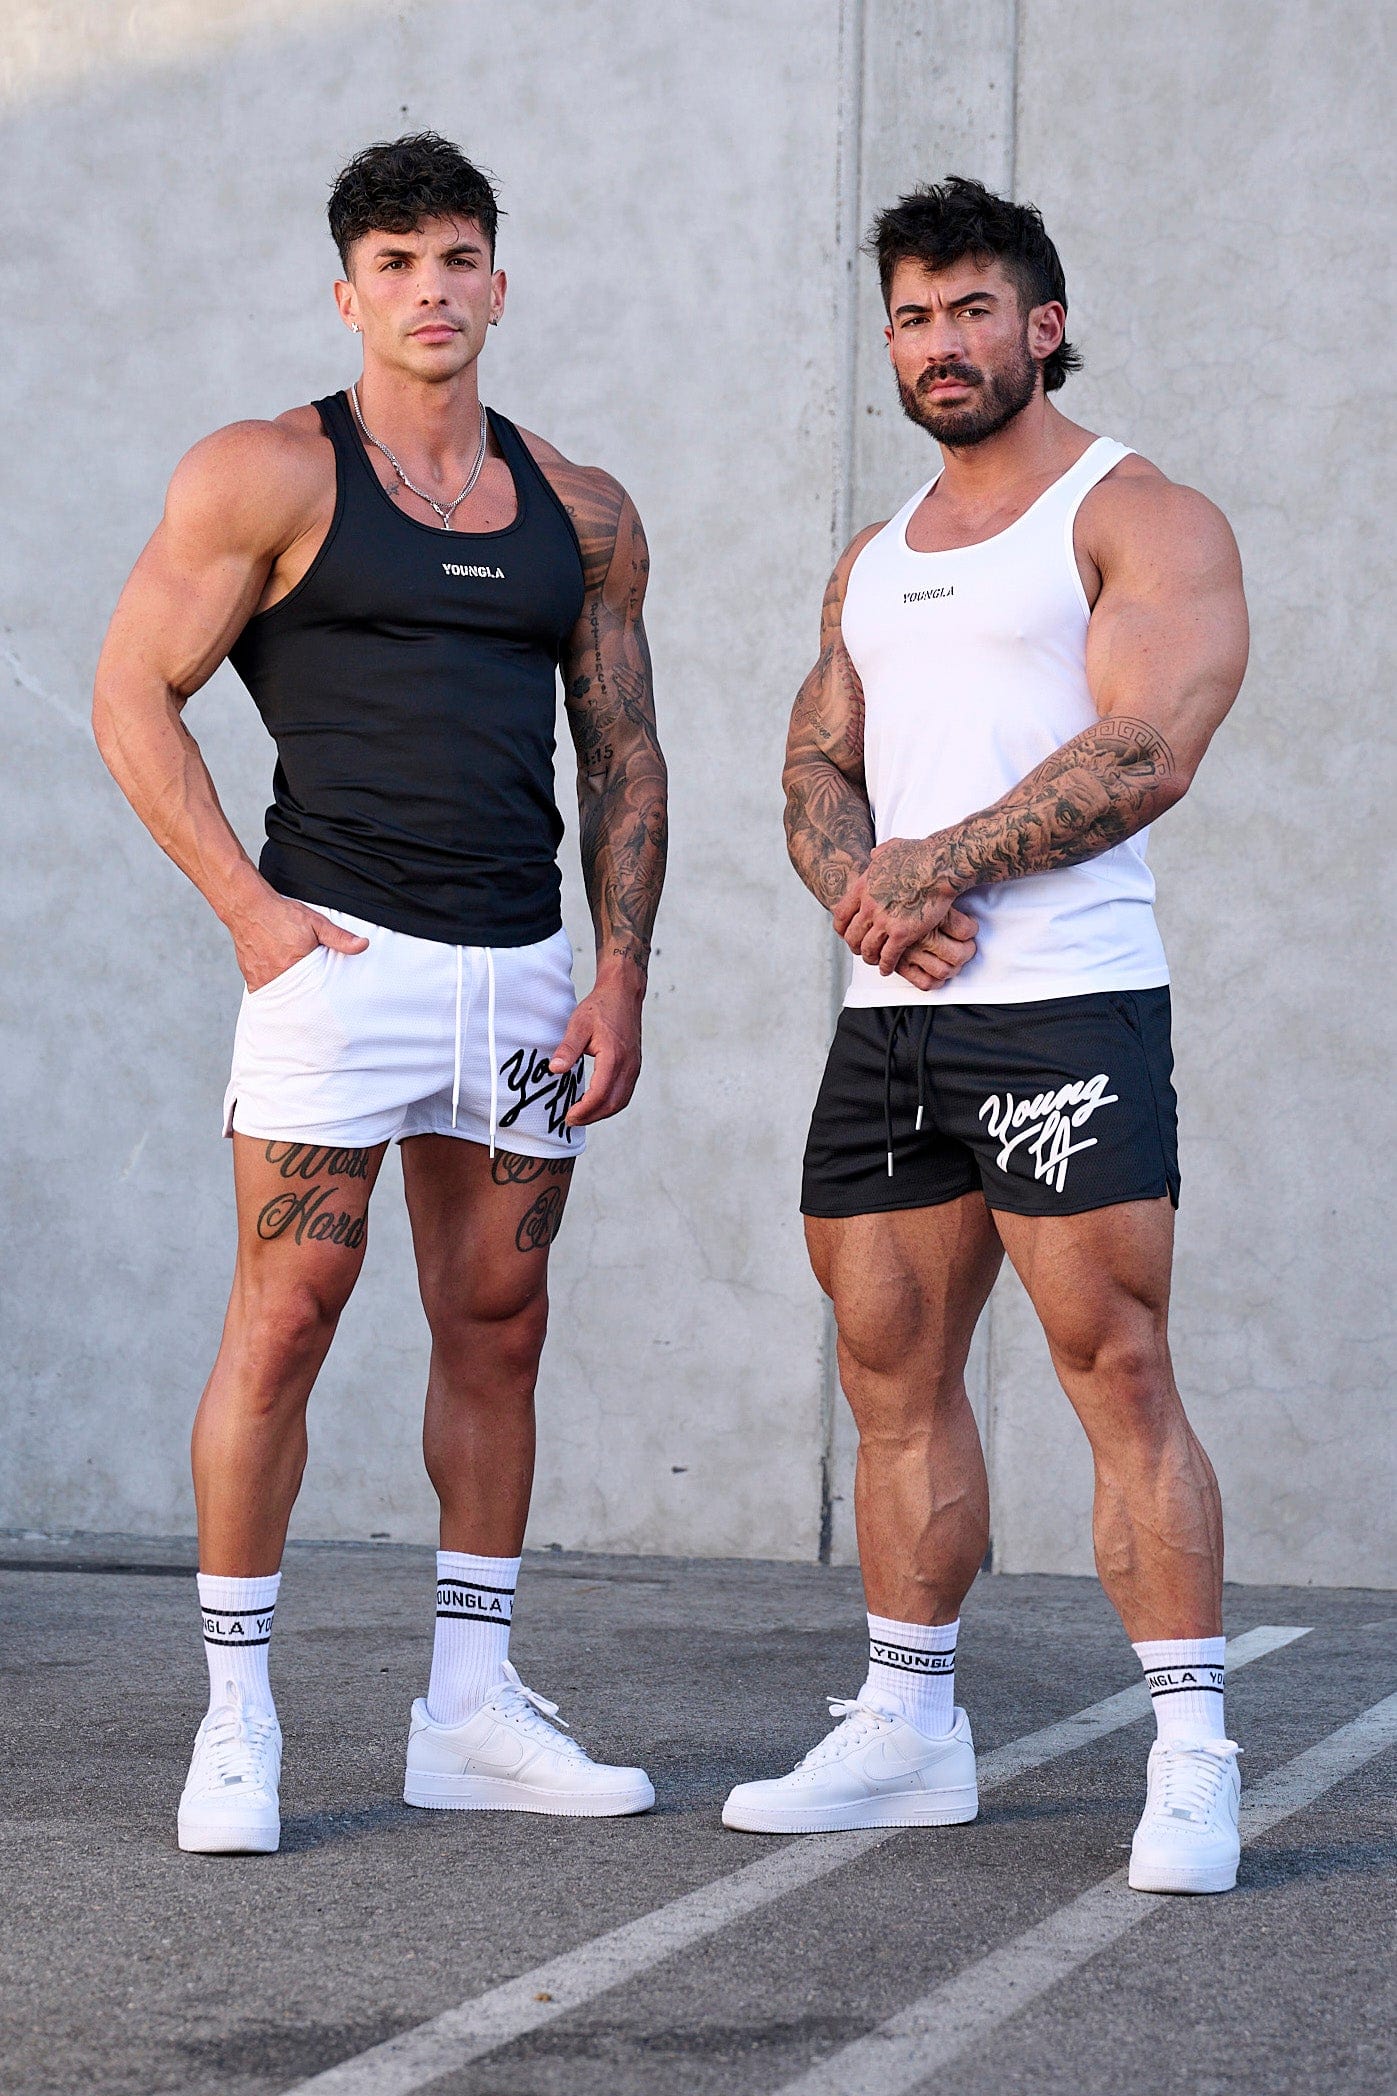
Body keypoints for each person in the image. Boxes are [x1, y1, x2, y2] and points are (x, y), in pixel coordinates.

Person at [92, 133, 668, 1853]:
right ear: (347, 295)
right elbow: (131, 693)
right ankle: (237, 1723)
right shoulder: (266, 472)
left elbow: (623, 754)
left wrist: (617, 970)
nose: (432, 289)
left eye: (458, 258)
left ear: (500, 282)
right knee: (285, 1320)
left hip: (524, 976)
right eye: (397, 263)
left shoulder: (581, 509)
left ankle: (468, 1712)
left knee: (500, 1323)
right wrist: (250, 914)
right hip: (336, 964)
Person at [723, 177, 1249, 1896]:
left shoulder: (1136, 514)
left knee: (1116, 1366)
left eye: (969, 309)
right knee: (887, 1373)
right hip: (893, 1024)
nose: (938, 343)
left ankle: (1191, 1755)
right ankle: (907, 1726)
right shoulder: (872, 562)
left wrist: (931, 866)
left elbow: (1145, 746)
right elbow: (814, 764)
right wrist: (860, 892)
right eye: (910, 316)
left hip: (1060, 1007)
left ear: (1043, 323)